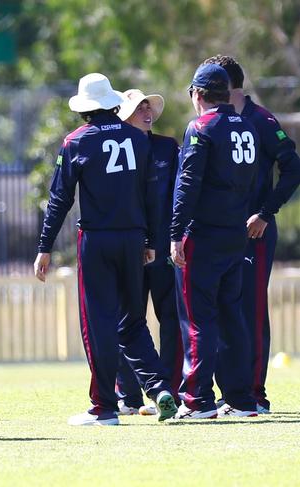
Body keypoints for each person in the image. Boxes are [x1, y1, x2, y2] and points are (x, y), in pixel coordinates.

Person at [34, 73, 177, 426]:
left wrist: (44, 246)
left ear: (85, 108)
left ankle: (104, 408)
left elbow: (59, 200)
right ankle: (159, 387)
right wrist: (148, 241)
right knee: (132, 321)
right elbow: (149, 195)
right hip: (133, 240)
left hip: (97, 240)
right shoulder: (138, 140)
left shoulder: (76, 142)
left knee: (97, 324)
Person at [203, 55, 300, 415]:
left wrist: (265, 212)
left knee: (251, 310)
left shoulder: (260, 120)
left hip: (255, 232)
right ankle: (227, 391)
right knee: (219, 310)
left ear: (227, 87)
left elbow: (292, 168)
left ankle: (253, 394)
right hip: (221, 232)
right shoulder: (211, 122)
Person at [170, 63, 259, 419]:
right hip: (235, 234)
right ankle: (241, 399)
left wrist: (175, 233)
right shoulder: (248, 127)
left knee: (198, 318)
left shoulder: (200, 127)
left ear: (198, 94)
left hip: (203, 235)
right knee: (232, 317)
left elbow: (187, 185)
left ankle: (196, 401)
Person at [114, 89, 183, 416]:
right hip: (128, 248)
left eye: (147, 106)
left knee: (171, 318)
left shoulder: (167, 147)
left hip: (164, 248)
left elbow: (177, 198)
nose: (146, 111)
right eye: (137, 106)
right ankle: (129, 395)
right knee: (128, 320)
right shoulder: (114, 150)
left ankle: (168, 391)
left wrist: (169, 241)